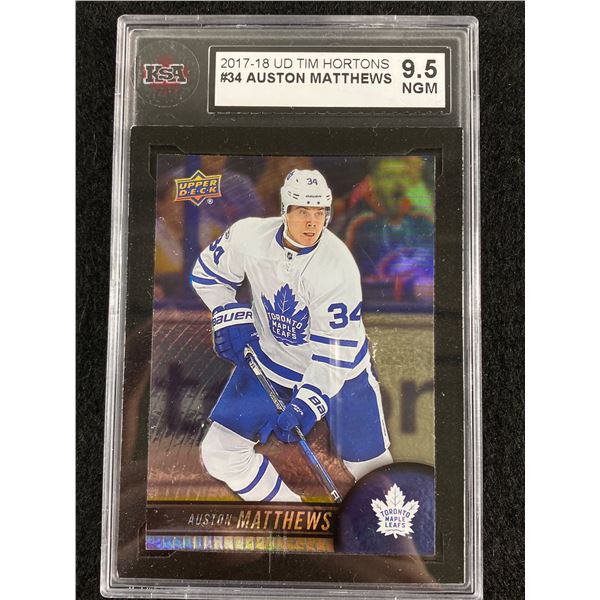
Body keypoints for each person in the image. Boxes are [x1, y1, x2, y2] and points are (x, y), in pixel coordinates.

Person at [191, 169, 392, 502]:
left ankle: (394, 528)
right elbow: (207, 276)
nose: (312, 222)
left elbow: (334, 351)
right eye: (302, 211)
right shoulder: (247, 237)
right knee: (221, 454)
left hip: (341, 373)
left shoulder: (336, 266)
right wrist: (226, 311)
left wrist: (308, 402)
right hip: (271, 361)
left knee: (371, 471)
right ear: (285, 211)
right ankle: (292, 516)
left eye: (320, 212)